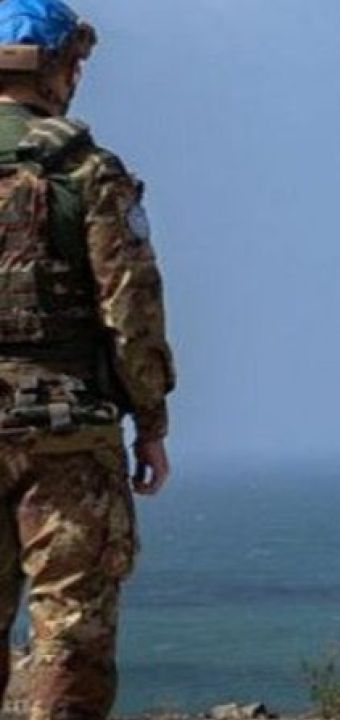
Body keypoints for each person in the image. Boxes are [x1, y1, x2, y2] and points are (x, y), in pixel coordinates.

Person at [0, 1, 176, 718]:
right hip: (65, 437)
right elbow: (130, 310)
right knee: (71, 636)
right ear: (57, 67)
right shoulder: (86, 170)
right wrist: (151, 423)